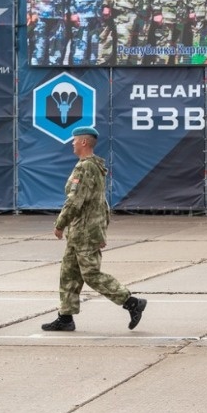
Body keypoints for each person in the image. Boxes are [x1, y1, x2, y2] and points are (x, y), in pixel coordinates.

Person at [42, 127, 147, 332]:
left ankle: (132, 302)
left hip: (84, 232)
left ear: (83, 142)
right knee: (69, 273)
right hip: (82, 231)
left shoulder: (86, 168)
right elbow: (101, 203)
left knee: (90, 274)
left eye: (74, 141)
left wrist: (60, 224)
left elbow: (74, 201)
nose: (72, 144)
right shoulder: (93, 166)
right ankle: (65, 317)